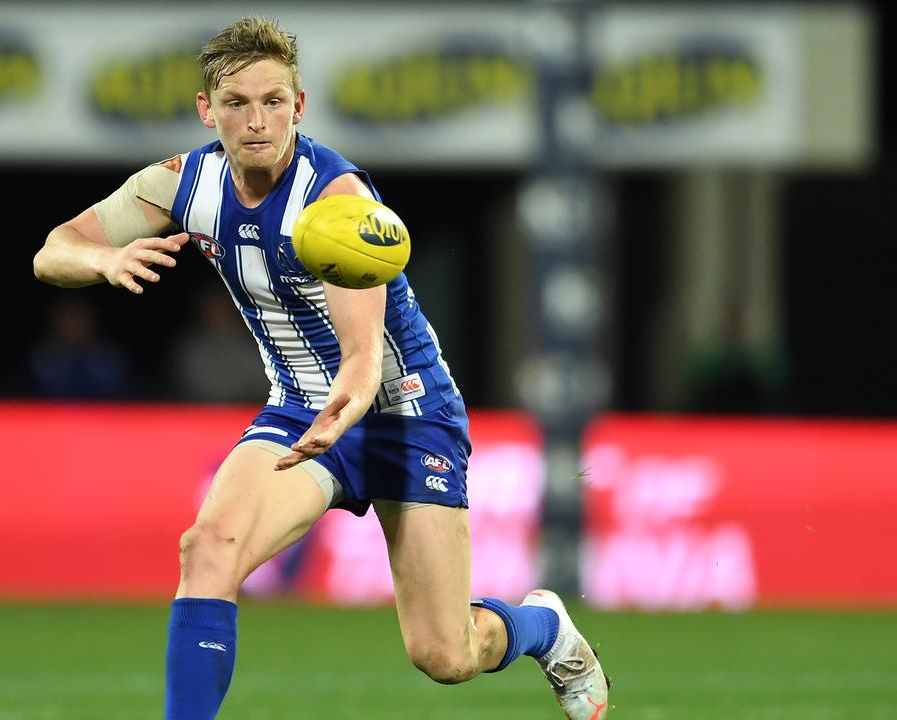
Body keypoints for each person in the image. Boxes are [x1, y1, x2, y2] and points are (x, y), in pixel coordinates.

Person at [32, 17, 610, 720]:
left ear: (299, 106)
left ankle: (543, 626)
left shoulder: (336, 201)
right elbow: (56, 248)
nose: (256, 120)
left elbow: (364, 358)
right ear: (205, 110)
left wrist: (349, 401)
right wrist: (104, 258)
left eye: (274, 101)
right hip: (300, 407)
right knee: (207, 547)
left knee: (445, 654)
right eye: (238, 103)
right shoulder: (181, 184)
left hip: (404, 413)